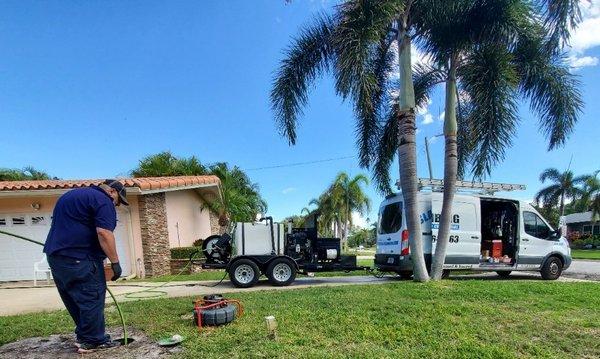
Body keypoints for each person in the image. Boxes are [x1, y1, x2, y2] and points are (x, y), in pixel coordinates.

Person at [44, 179, 128, 353]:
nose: (116, 206)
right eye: (118, 202)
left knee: (74, 298)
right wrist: (115, 263)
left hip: (57, 258)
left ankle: (85, 336)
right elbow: (104, 232)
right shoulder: (103, 200)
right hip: (80, 258)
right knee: (92, 295)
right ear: (112, 192)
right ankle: (93, 340)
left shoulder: (71, 196)